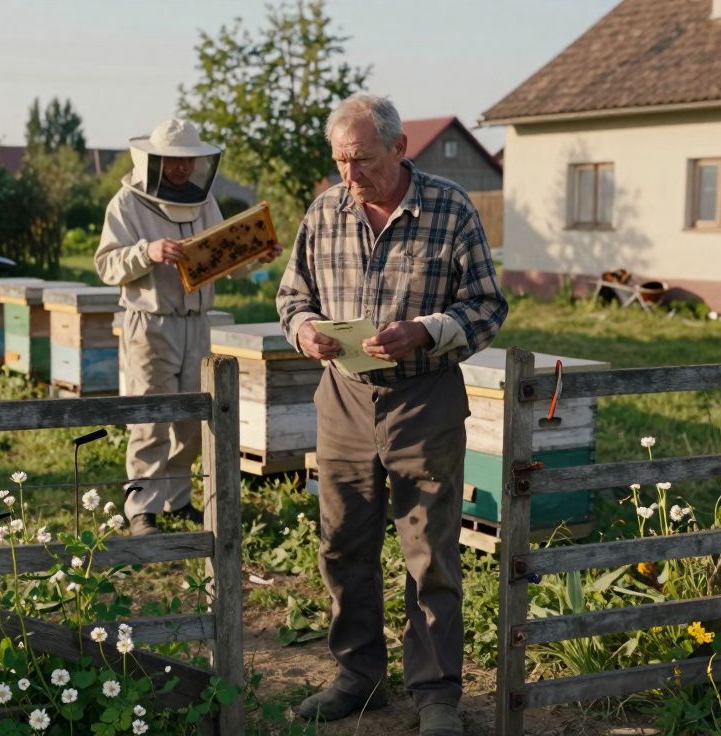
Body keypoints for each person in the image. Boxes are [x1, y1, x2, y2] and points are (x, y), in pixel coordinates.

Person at [276, 94, 508, 736]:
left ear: (400, 149)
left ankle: (436, 694)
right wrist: (306, 334)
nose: (351, 175)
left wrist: (428, 332)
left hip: (424, 400)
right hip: (344, 399)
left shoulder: (451, 208)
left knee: (429, 551)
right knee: (343, 542)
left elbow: (488, 306)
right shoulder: (324, 210)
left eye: (363, 160)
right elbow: (291, 296)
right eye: (341, 161)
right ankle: (359, 676)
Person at [96, 118, 280, 536]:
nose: (181, 171)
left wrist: (255, 258)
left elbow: (221, 259)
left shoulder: (204, 202)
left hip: (197, 323)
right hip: (150, 323)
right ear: (153, 161)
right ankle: (142, 507)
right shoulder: (125, 204)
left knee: (192, 419)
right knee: (150, 416)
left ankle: (177, 501)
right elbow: (106, 265)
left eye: (188, 163)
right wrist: (147, 251)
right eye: (172, 163)